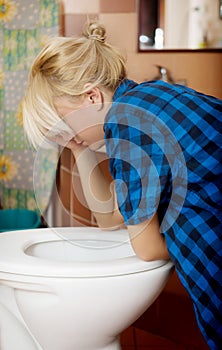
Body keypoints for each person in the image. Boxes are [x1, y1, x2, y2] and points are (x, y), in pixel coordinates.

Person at [23, 21, 222, 349]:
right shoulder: (149, 98)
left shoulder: (128, 127)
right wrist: (77, 145)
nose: (62, 135)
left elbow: (148, 249)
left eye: (63, 122)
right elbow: (109, 217)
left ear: (91, 96)